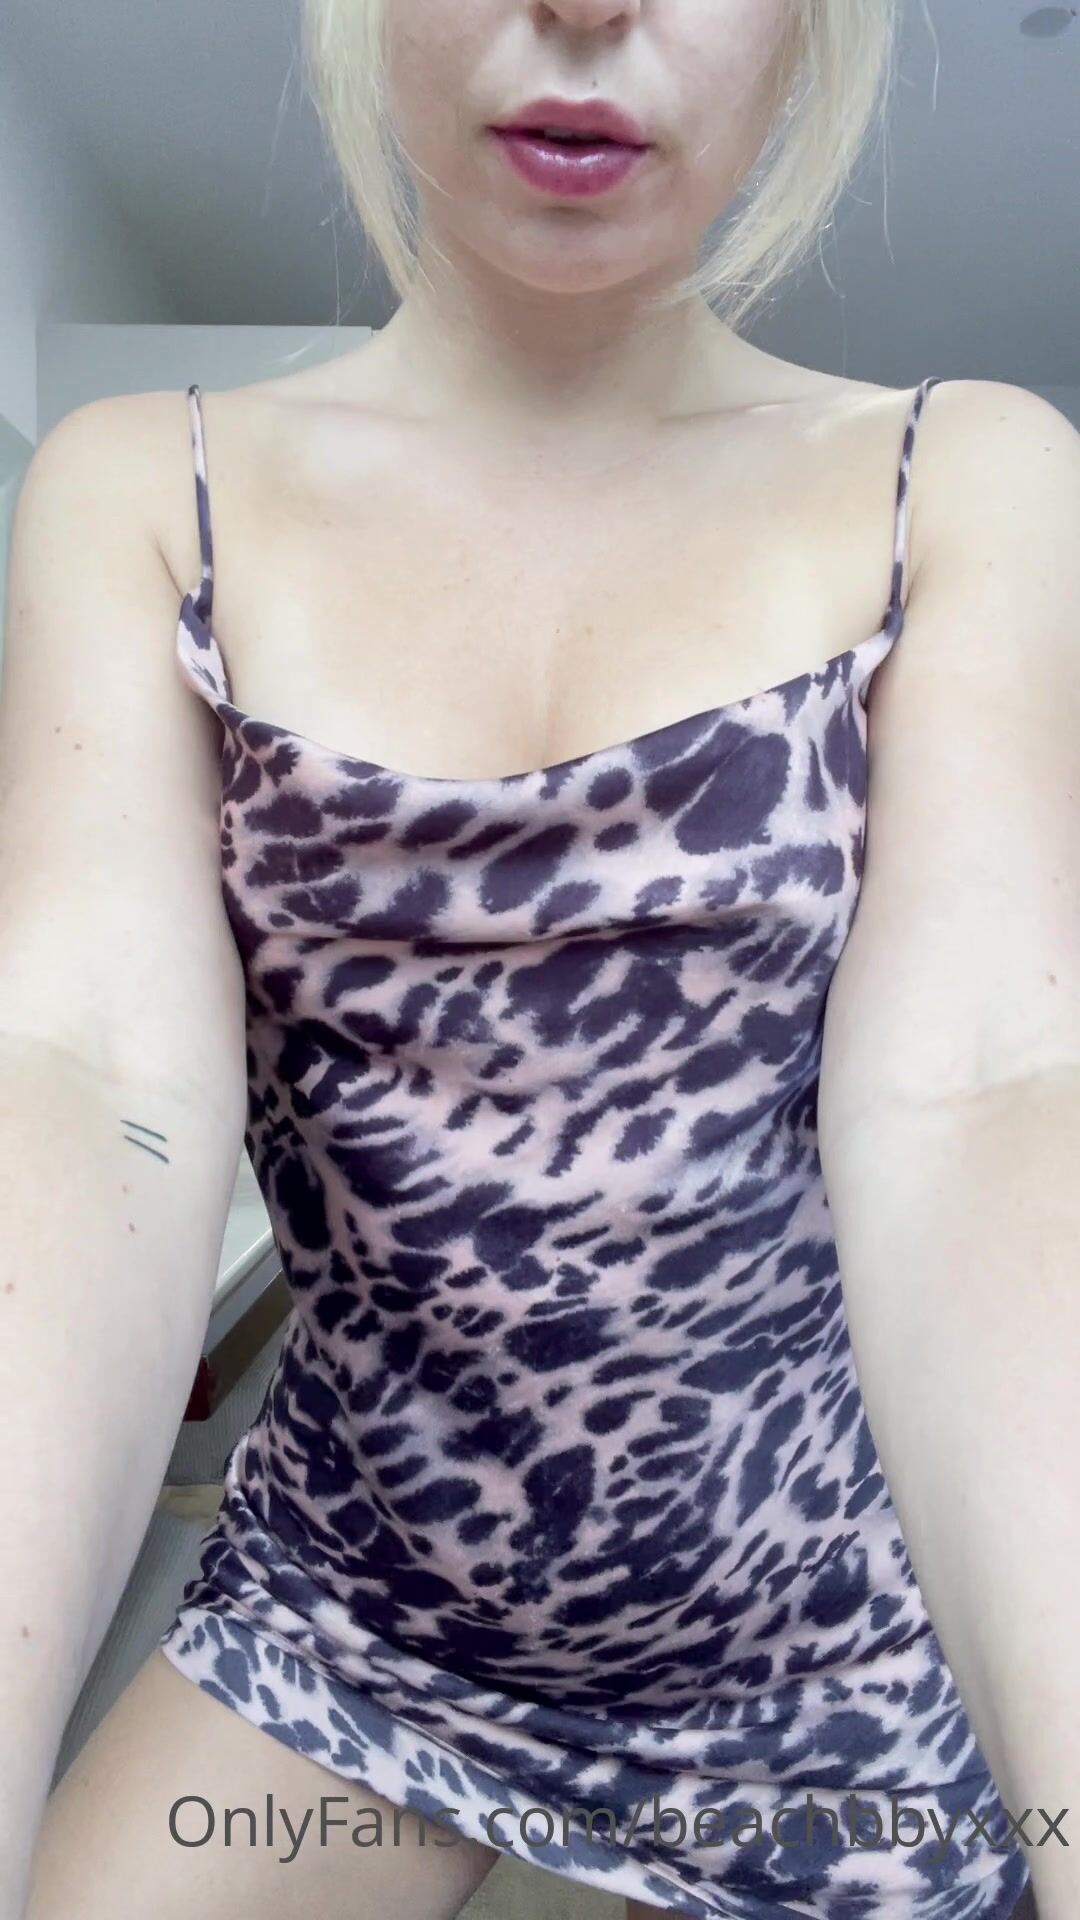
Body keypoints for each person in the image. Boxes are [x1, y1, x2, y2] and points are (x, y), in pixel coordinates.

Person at [2, 0, 1077, 1915]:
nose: (588, 2)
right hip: (357, 1612)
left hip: (833, 1643)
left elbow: (986, 1091)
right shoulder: (146, 493)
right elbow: (85, 1075)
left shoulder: (961, 477)